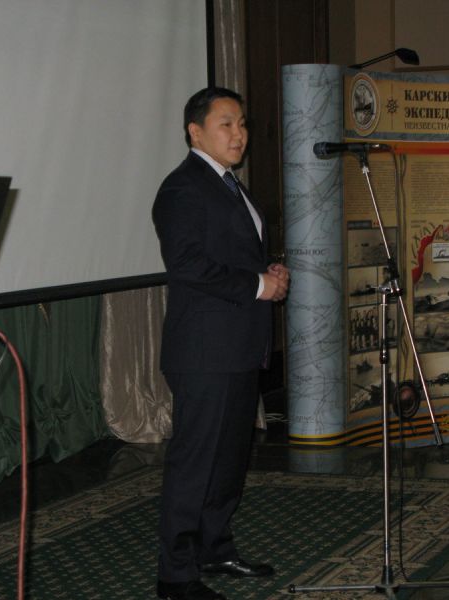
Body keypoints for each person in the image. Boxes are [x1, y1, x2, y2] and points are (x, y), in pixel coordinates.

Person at [151, 87, 289, 600]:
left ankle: (215, 547)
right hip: (204, 351)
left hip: (237, 346)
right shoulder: (182, 188)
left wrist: (268, 272)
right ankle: (176, 576)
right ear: (195, 131)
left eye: (243, 123)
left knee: (229, 460)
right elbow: (187, 264)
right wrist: (256, 285)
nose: (240, 134)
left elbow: (233, 255)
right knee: (196, 463)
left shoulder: (231, 186)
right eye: (226, 124)